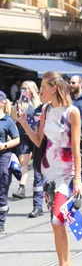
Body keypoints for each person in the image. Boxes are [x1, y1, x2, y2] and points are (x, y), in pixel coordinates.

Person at [18, 72, 82, 266]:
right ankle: (69, 263)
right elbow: (39, 141)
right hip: (48, 175)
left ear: (54, 87)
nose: (41, 90)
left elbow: (76, 150)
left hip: (65, 174)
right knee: (60, 223)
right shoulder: (45, 110)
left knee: (57, 221)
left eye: (43, 86)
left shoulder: (72, 112)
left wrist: (78, 180)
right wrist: (24, 123)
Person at [11, 81, 44, 217]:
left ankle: (39, 205)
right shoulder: (21, 104)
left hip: (37, 137)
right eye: (22, 88)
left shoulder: (40, 104)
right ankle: (22, 187)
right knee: (23, 162)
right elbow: (13, 117)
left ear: (32, 90)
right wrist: (17, 106)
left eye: (26, 88)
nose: (23, 90)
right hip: (24, 136)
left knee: (38, 171)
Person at [0, 92, 20, 233]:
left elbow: (17, 139)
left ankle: (1, 220)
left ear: (2, 103)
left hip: (3, 157)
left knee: (2, 188)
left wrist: (4, 146)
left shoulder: (8, 121)